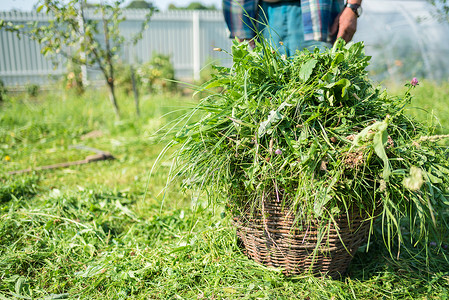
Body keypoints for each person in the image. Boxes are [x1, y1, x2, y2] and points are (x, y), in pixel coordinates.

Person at [222, 0, 362, 55]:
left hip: (319, 12)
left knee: (324, 90)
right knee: (269, 97)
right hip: (265, 14)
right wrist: (240, 24)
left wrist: (352, 7)